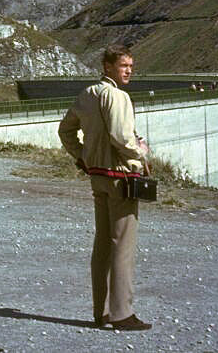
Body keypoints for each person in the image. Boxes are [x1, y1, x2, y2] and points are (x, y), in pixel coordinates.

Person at [57, 44, 152, 332]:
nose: (129, 71)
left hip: (97, 176)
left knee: (102, 243)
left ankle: (102, 312)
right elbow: (122, 138)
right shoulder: (118, 97)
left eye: (131, 67)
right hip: (121, 178)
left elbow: (65, 130)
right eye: (124, 66)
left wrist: (82, 156)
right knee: (123, 245)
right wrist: (142, 152)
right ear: (107, 66)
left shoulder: (87, 95)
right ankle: (122, 313)